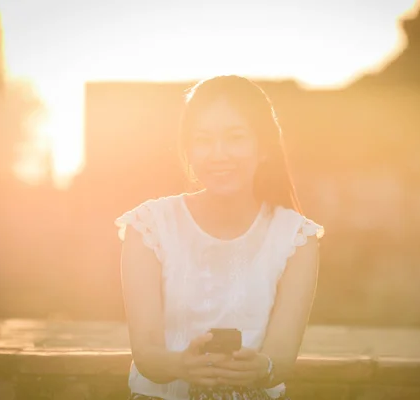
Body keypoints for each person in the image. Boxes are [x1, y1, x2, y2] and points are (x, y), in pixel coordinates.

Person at [115, 75, 324, 400]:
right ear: (189, 151)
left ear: (264, 148)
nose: (219, 154)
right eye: (203, 140)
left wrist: (261, 369)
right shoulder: (149, 227)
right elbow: (146, 353)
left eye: (235, 138)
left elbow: (281, 358)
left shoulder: (296, 237)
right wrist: (182, 365)